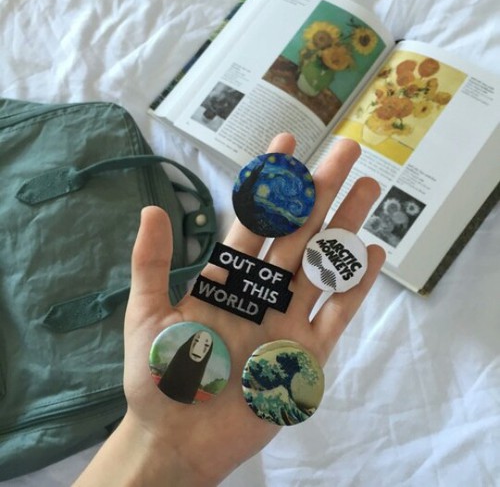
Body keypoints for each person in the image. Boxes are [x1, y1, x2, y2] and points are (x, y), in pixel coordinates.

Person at [73, 133, 386, 486]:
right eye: (200, 346)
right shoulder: (184, 370)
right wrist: (156, 435)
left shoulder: (213, 374)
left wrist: (155, 439)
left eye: (200, 346)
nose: (201, 346)